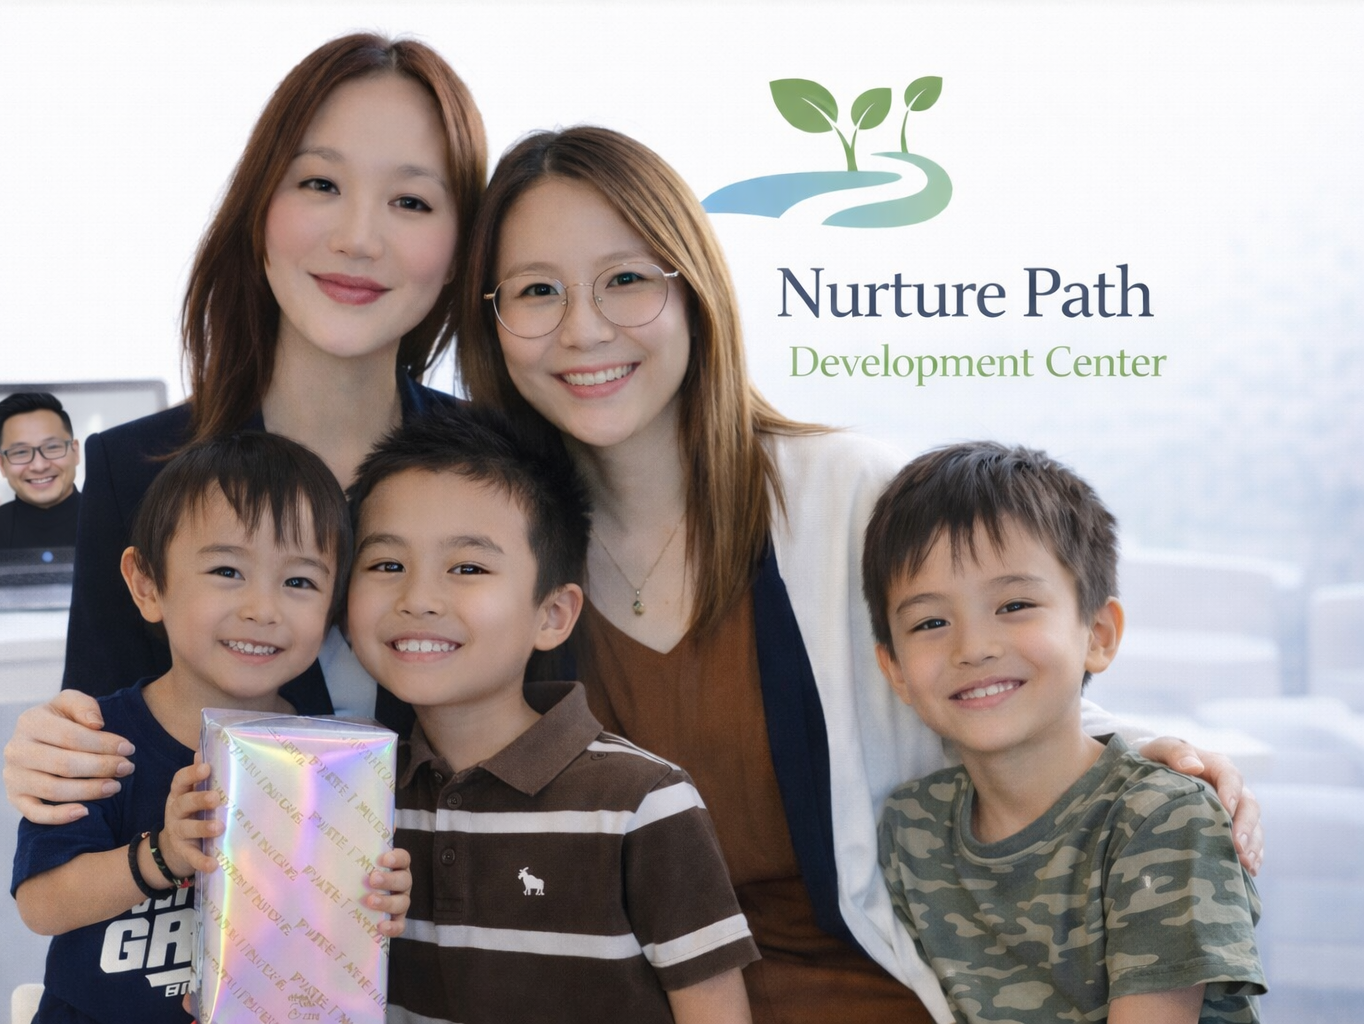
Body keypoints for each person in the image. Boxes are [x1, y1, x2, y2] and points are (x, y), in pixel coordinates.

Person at [452, 126, 1265, 1023]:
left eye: (626, 280)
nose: (585, 328)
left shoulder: (846, 493)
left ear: (695, 292)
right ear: (490, 322)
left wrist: (1136, 749)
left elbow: (974, 650)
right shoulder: (495, 554)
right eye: (537, 292)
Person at [1, 32, 485, 826]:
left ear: (461, 247)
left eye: (411, 201)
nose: (359, 237)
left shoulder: (500, 471)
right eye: (321, 182)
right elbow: (96, 762)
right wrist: (51, 755)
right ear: (260, 207)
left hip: (467, 939)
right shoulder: (136, 468)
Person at [345, 405, 758, 1024]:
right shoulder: (349, 799)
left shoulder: (642, 802)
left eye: (467, 568)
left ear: (553, 615)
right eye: (386, 565)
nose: (418, 599)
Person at [12, 431, 410, 1023]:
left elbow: (319, 938)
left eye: (299, 581)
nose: (263, 608)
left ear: (333, 606)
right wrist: (161, 857)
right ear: (148, 584)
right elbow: (41, 905)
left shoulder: (332, 760)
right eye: (227, 569)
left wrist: (372, 898)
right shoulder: (94, 741)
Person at [867, 442, 1265, 1023]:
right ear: (895, 670)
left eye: (1015, 604)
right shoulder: (911, 828)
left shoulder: (1162, 818)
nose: (973, 647)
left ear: (1098, 634)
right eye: (931, 622)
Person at [0, 392, 81, 551]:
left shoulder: (115, 523)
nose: (39, 466)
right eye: (21, 452)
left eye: (52, 447)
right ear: (1, 464)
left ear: (75, 452)